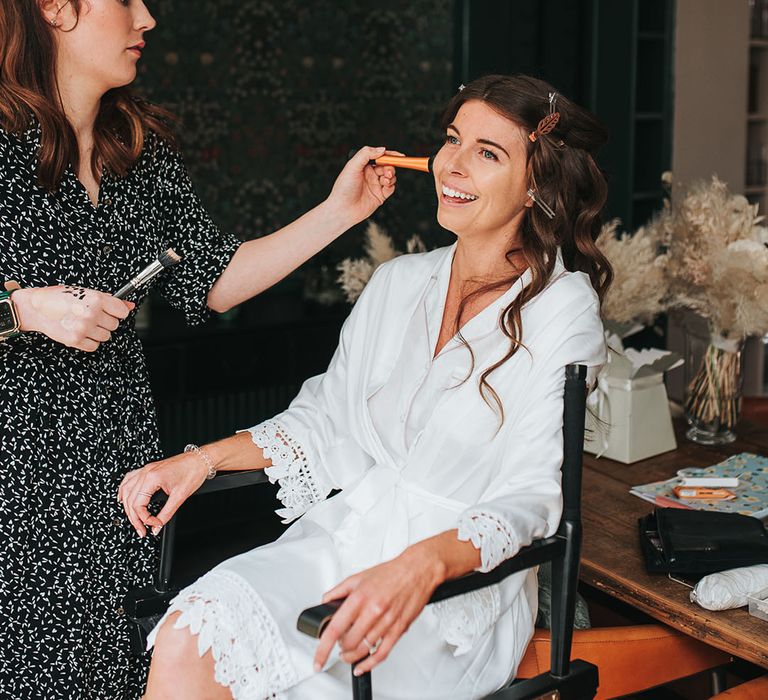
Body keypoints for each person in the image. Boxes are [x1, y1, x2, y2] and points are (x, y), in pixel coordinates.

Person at [124, 74, 613, 700]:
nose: (452, 166)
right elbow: (328, 425)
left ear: (537, 184)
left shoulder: (561, 308)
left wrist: (419, 565)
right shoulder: (398, 283)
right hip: (345, 544)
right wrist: (201, 460)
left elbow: (534, 493)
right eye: (452, 140)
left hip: (451, 594)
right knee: (189, 635)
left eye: (487, 154)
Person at [0, 1, 397, 698]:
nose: (147, 18)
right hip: (17, 474)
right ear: (56, 8)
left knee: (115, 662)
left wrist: (343, 211)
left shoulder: (134, 146)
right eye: (126, 1)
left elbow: (212, 282)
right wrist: (21, 308)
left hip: (117, 462)